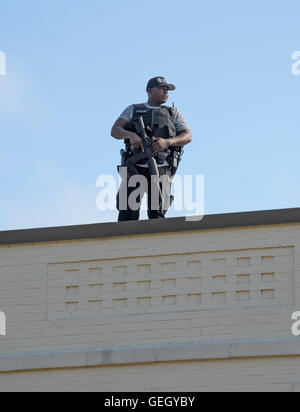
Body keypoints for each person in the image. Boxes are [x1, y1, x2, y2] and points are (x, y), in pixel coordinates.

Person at [111, 76, 192, 221]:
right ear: (149, 90)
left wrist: (167, 142)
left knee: (157, 213)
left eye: (167, 89)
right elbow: (115, 130)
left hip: (161, 167)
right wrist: (131, 136)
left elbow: (187, 136)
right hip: (135, 167)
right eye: (161, 88)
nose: (165, 91)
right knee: (127, 213)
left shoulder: (173, 113)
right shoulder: (133, 110)